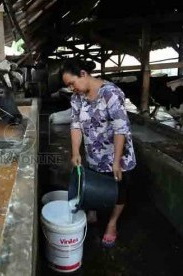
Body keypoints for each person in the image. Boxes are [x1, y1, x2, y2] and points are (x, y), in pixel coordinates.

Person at [60, 59, 136, 248]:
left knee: (119, 190)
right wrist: (75, 151)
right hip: (94, 153)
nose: (71, 88)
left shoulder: (111, 93)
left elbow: (121, 129)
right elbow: (76, 125)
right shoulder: (77, 98)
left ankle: (112, 224)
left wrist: (116, 162)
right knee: (93, 184)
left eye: (72, 83)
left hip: (118, 156)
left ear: (83, 74)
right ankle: (93, 211)